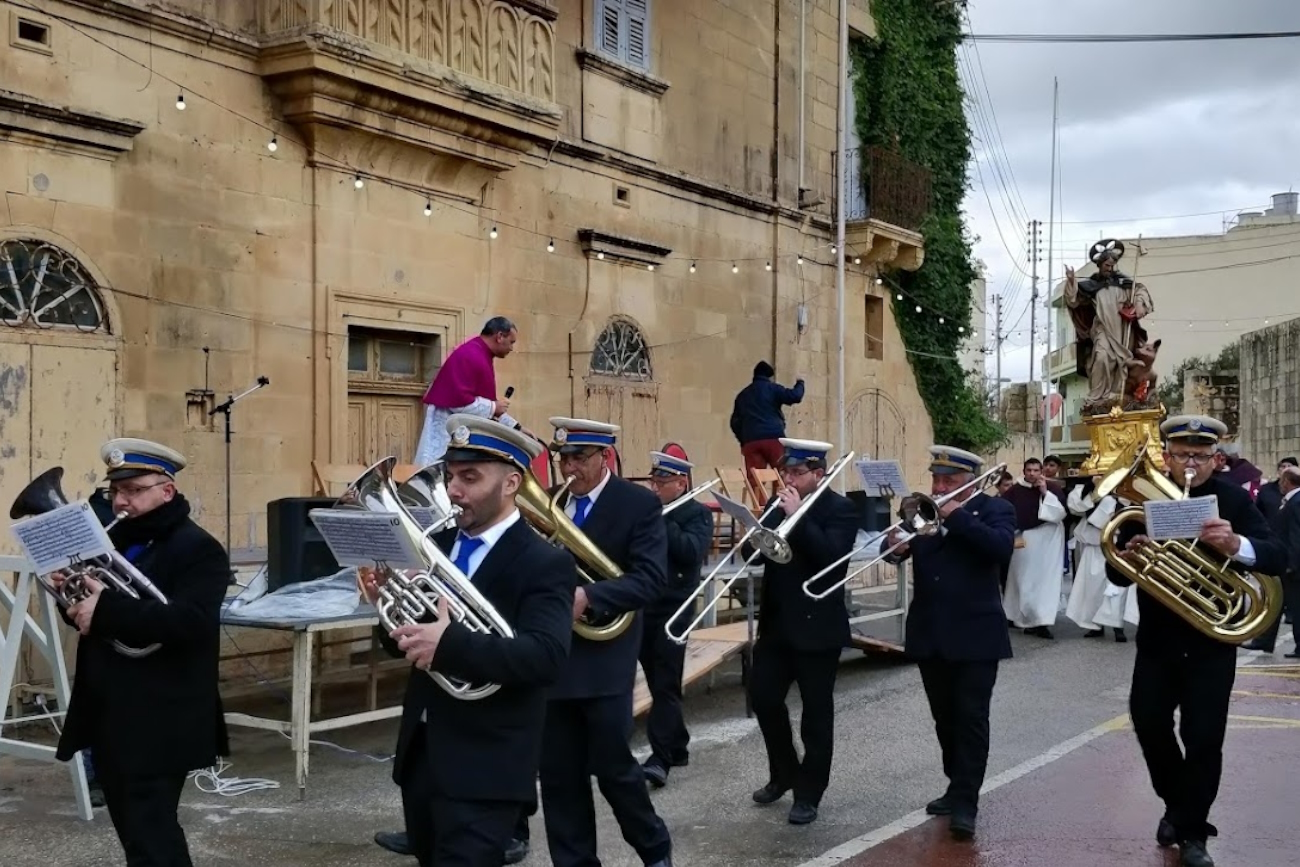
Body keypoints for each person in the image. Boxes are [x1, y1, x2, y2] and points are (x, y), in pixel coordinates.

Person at [365, 415, 577, 867]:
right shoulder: (433, 541)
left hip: (488, 766)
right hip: (422, 757)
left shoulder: (544, 562)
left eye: (470, 477)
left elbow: (546, 657)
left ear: (510, 483)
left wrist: (450, 646)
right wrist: (385, 603)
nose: (453, 490)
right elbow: (404, 643)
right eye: (451, 476)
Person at [1107, 415, 1287, 867]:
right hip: (1158, 640)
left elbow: (1279, 555)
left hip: (1211, 642)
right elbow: (1114, 570)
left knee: (1204, 738)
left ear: (1216, 458)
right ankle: (1179, 804)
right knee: (1148, 723)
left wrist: (1236, 544)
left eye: (1201, 456)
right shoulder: (1138, 498)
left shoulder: (1232, 500)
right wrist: (1131, 551)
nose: (1191, 464)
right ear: (1165, 456)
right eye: (1183, 455)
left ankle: (1193, 834)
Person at [53, 438, 231, 867]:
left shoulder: (198, 548)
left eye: (134, 490)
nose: (121, 502)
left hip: (160, 714)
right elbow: (90, 617)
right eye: (116, 491)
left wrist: (107, 610)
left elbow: (192, 623)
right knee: (135, 831)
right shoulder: (110, 544)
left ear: (166, 490)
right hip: (111, 708)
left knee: (152, 833)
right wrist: (67, 595)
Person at [536, 417, 674, 867]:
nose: (569, 468)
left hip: (606, 658)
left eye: (579, 458)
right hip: (555, 657)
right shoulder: (551, 502)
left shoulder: (638, 504)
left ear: (604, 457)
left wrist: (590, 595)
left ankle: (653, 847)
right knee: (559, 776)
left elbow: (651, 580)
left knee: (614, 769)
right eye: (563, 459)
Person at [885, 446, 1015, 840]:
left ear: (970, 482)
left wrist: (956, 515)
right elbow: (890, 552)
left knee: (971, 718)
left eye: (949, 481)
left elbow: (999, 548)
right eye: (936, 479)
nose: (939, 487)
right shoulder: (920, 511)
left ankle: (965, 801)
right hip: (931, 631)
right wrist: (894, 545)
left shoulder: (995, 510)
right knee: (944, 718)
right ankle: (955, 783)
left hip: (976, 634)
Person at [747, 438, 858, 825]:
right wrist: (759, 524)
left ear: (818, 473)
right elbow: (751, 555)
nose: (788, 478)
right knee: (763, 699)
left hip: (817, 629)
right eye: (786, 471)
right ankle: (784, 772)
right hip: (776, 627)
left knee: (816, 715)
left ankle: (809, 792)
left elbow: (832, 559)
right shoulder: (777, 504)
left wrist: (800, 517)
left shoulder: (841, 509)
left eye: (797, 472)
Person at [639, 450, 713, 788]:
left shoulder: (697, 514)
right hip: (645, 602)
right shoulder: (650, 511)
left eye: (662, 482)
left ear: (681, 483)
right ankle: (678, 744)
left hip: (675, 606)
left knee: (666, 681)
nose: (655, 487)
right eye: (653, 480)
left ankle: (661, 758)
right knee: (655, 678)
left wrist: (662, 518)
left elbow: (689, 552)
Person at [414, 316, 526, 466]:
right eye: (511, 342)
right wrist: (493, 407)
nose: (511, 348)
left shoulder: (480, 354)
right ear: (499, 336)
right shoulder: (471, 355)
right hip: (447, 439)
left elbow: (486, 406)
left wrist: (516, 427)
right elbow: (459, 402)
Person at [1064, 239, 1155, 411]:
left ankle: (1118, 395)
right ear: (1100, 265)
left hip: (1122, 331)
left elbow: (1140, 290)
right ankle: (1097, 397)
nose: (1110, 268)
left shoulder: (1123, 283)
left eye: (1112, 264)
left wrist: (1138, 303)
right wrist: (1071, 281)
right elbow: (1073, 299)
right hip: (1103, 330)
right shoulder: (1092, 286)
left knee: (1123, 365)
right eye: (1107, 265)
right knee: (1101, 357)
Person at [1001, 458, 1068, 638]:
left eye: (1036, 470)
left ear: (1041, 472)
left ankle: (1040, 620)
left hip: (1048, 538)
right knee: (1021, 578)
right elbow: (1004, 509)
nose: (1032, 474)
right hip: (1025, 537)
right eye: (1029, 470)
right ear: (1024, 471)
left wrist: (1045, 492)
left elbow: (1060, 512)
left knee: (1044, 581)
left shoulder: (1051, 488)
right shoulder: (1015, 490)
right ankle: (1017, 614)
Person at [1064, 477, 1135, 641]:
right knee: (1093, 588)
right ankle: (1094, 625)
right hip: (1094, 545)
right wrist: (1093, 488)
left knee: (1116, 589)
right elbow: (1076, 507)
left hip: (1117, 547)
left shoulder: (1125, 492)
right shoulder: (1088, 490)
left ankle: (1117, 626)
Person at [1241, 464, 1300, 657]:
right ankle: (1263, 641)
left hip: (1291, 565)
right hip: (1285, 561)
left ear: (1286, 482)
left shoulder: (1296, 501)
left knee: (1295, 606)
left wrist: (1291, 564)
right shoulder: (1291, 500)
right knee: (1275, 601)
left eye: (1282, 481)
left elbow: (1295, 535)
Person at [729, 361, 805, 482]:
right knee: (783, 476)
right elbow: (794, 396)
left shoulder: (742, 395)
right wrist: (800, 383)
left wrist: (743, 440)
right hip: (773, 438)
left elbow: (734, 422)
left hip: (751, 442)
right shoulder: (773, 389)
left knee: (755, 482)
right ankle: (781, 500)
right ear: (769, 377)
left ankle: (758, 501)